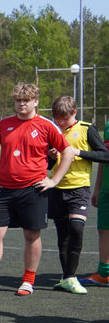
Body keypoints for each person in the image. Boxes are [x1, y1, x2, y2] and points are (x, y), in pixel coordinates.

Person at [0, 83, 76, 295]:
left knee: (31, 235)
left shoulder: (46, 125)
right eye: (18, 100)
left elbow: (67, 152)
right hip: (4, 190)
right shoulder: (4, 124)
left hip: (34, 189)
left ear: (36, 102)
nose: (21, 104)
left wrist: (54, 180)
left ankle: (28, 282)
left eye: (26, 100)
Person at [45, 96, 109, 294]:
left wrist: (78, 152)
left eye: (64, 118)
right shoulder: (52, 131)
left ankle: (70, 277)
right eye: (57, 118)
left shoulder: (87, 129)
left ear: (75, 113)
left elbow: (105, 155)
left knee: (76, 228)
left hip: (79, 189)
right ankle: (68, 278)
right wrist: (50, 157)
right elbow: (46, 165)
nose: (60, 122)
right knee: (63, 236)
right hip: (56, 189)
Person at [81, 118, 109, 287]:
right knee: (104, 230)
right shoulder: (108, 126)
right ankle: (104, 273)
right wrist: (97, 188)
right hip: (106, 188)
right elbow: (105, 159)